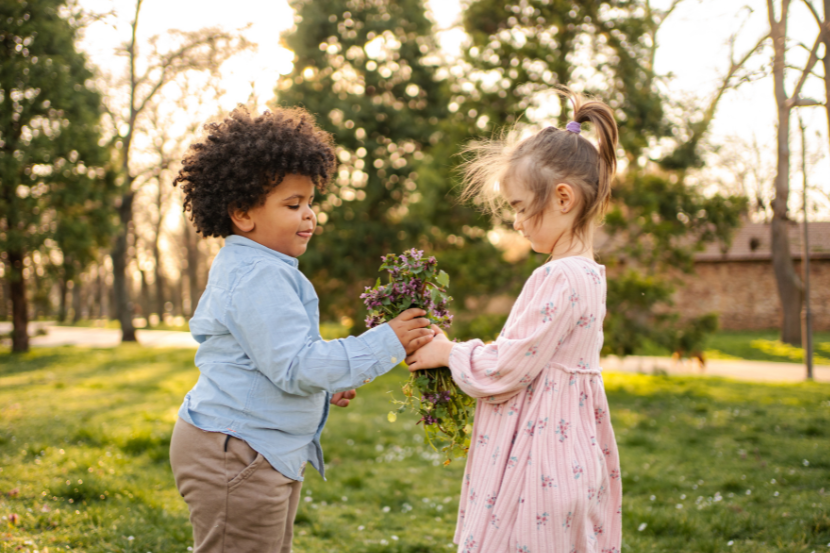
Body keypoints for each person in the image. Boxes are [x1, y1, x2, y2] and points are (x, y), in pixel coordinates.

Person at [168, 106, 433, 553]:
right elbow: (295, 364)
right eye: (293, 205)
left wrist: (322, 386)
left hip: (255, 451)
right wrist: (386, 340)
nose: (310, 216)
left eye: (311, 202)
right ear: (241, 212)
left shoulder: (261, 267)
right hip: (239, 454)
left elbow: (276, 361)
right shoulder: (258, 274)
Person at [406, 90, 622, 553]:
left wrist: (447, 351)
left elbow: (505, 368)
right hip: (576, 458)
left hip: (537, 465)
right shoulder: (590, 275)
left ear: (563, 198)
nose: (518, 223)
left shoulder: (557, 277)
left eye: (522, 207)